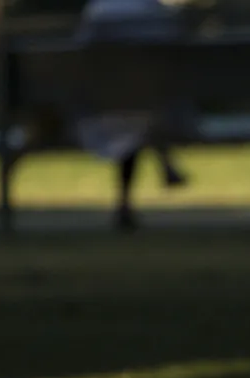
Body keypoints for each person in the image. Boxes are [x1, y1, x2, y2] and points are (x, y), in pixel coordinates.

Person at [73, 0, 198, 230]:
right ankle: (165, 162)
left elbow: (83, 55)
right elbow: (177, 51)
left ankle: (129, 198)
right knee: (144, 113)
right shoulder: (156, 12)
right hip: (154, 109)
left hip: (107, 109)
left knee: (130, 117)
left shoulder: (98, 11)